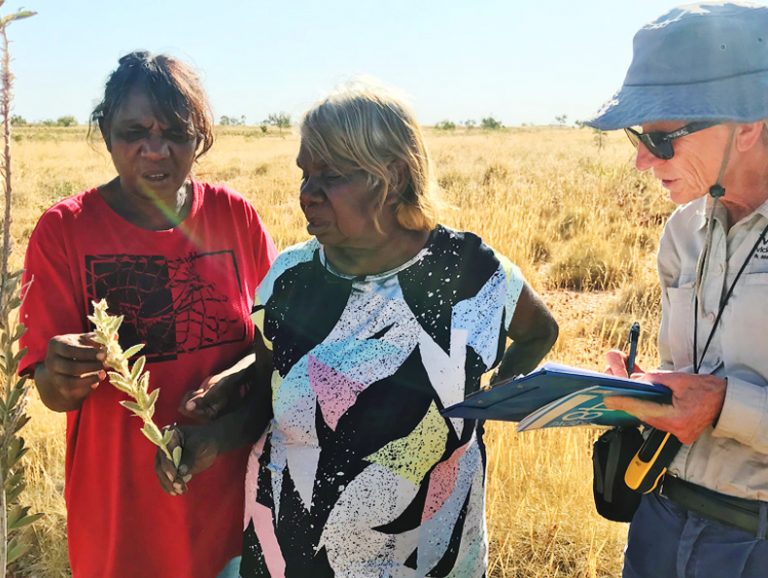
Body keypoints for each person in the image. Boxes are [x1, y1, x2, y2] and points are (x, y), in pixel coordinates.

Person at [156, 80, 559, 577]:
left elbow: (541, 331)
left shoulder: (471, 273)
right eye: (305, 175)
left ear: (390, 175)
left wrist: (498, 391)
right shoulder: (288, 280)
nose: (308, 195)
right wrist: (214, 438)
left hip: (429, 554)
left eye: (331, 176)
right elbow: (265, 398)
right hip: (295, 550)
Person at [19, 51, 276, 578]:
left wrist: (228, 387)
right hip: (120, 518)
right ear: (106, 133)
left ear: (199, 138)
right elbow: (48, 390)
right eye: (135, 131)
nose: (155, 150)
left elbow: (275, 349)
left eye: (176, 133)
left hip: (232, 507)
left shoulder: (236, 218)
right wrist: (61, 372)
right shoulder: (64, 231)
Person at [587, 3, 768, 577]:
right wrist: (645, 394)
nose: (643, 160)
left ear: (749, 126)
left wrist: (722, 406)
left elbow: (713, 400)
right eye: (638, 137)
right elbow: (684, 376)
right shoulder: (682, 232)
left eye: (663, 138)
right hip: (660, 515)